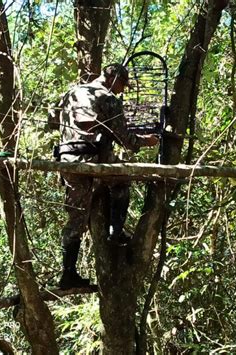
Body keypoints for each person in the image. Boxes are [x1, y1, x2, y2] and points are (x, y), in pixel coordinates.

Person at [48, 64, 159, 290]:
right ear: (113, 78)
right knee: (122, 178)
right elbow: (125, 138)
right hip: (92, 160)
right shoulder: (107, 98)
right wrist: (146, 141)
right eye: (122, 85)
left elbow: (53, 120)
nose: (122, 91)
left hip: (67, 160)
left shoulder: (72, 92)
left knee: (76, 219)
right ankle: (115, 233)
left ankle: (67, 274)